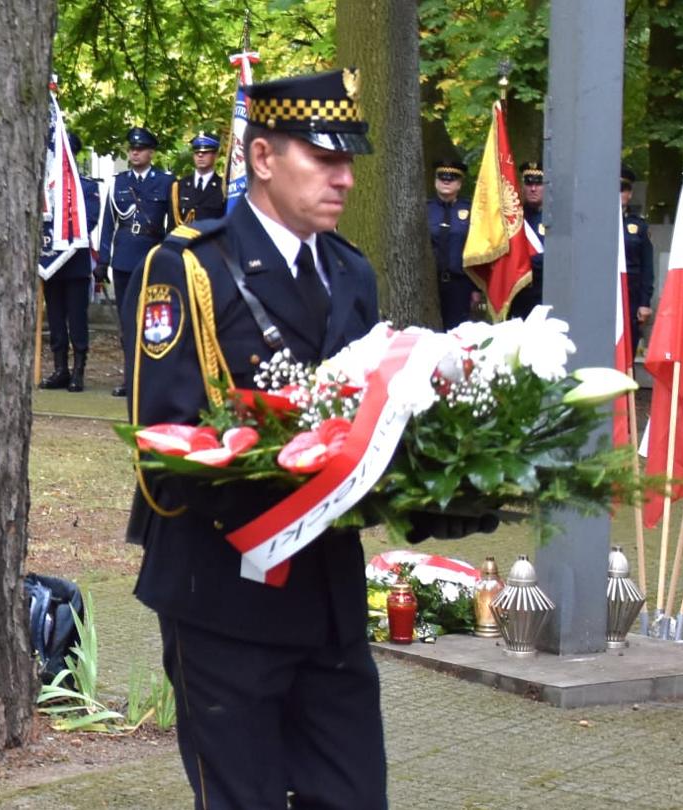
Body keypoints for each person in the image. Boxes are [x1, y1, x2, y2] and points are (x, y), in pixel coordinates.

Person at [127, 69, 488, 810]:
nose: (344, 178)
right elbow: (163, 448)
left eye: (348, 160)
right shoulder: (190, 267)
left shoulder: (351, 271)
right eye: (324, 159)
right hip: (222, 597)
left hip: (328, 603)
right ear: (263, 158)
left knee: (355, 796)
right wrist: (290, 475)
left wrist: (440, 491)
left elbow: (373, 425)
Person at [99, 126, 176, 397]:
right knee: (127, 321)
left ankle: (153, 377)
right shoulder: (118, 183)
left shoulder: (165, 182)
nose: (135, 152)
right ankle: (129, 376)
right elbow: (108, 224)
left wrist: (170, 257)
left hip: (151, 258)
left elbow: (172, 225)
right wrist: (103, 260)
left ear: (151, 153)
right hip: (123, 259)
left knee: (154, 319)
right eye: (132, 148)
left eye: (140, 149)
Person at [39, 132, 102, 393]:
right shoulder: (47, 186)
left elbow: (90, 220)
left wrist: (65, 235)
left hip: (75, 260)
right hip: (51, 262)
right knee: (55, 318)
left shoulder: (86, 186)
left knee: (77, 319)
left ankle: (78, 370)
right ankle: (60, 369)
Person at [427, 157, 474, 328]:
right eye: (442, 177)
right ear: (435, 181)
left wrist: (475, 289)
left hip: (460, 285)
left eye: (452, 178)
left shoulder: (471, 210)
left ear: (459, 184)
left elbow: (476, 249)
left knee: (456, 332)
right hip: (429, 283)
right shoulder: (425, 209)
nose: (446, 181)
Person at [508, 161, 546, 319]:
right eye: (529, 183)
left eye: (538, 184)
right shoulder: (513, 219)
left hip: (545, 291)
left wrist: (528, 261)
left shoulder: (556, 219)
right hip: (518, 293)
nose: (533, 188)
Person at [621, 167, 655, 340]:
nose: (618, 193)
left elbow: (647, 266)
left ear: (630, 194)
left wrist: (644, 302)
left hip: (631, 296)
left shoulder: (639, 226)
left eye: (623, 189)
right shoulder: (594, 224)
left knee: (630, 342)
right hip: (602, 294)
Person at [172, 131, 226, 226]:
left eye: (205, 152)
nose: (200, 155)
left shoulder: (224, 187)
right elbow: (172, 225)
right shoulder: (180, 186)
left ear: (216, 155)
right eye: (197, 152)